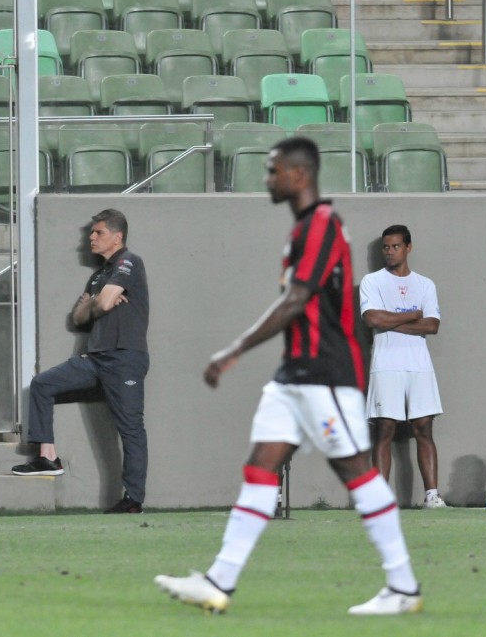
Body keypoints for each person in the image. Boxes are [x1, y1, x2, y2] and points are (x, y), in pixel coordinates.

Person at [155, 137, 422, 617]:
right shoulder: (302, 229)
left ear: (298, 174)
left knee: (357, 474)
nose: (267, 179)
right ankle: (219, 581)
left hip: (324, 376)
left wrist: (234, 349)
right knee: (260, 470)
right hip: (291, 379)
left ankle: (403, 586)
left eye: (272, 170)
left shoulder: (322, 224)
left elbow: (297, 301)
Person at [11, 208, 151, 515]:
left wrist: (96, 303)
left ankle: (133, 500)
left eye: (98, 232)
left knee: (130, 429)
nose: (91, 237)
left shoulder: (129, 262)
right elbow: (80, 317)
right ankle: (48, 457)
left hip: (125, 357)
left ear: (118, 236)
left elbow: (96, 304)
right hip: (94, 358)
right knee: (42, 384)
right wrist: (98, 303)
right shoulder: (99, 276)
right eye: (91, 232)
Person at [359, 225, 445, 508]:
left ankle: (432, 496)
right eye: (385, 247)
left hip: (418, 366)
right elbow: (372, 320)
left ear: (408, 247)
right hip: (385, 365)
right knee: (385, 429)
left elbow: (432, 326)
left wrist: (392, 320)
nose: (389, 252)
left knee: (424, 429)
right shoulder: (372, 282)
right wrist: (411, 315)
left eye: (395, 246)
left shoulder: (425, 284)